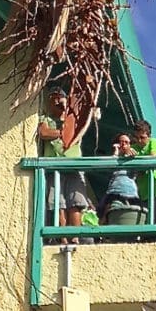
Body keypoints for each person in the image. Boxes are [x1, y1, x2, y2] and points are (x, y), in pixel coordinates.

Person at [37, 87, 93, 229]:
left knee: (76, 203)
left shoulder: (74, 120)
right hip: (54, 168)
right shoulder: (46, 119)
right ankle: (62, 237)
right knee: (58, 204)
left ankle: (74, 237)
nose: (56, 100)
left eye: (59, 97)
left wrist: (67, 113)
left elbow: (81, 126)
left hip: (74, 167)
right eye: (53, 98)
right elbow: (44, 132)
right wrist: (63, 132)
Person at [130, 119, 156, 223]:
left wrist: (137, 162)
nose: (139, 141)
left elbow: (152, 157)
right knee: (146, 221)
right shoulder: (133, 148)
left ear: (149, 136)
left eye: (142, 137)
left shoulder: (153, 142)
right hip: (143, 193)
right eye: (136, 137)